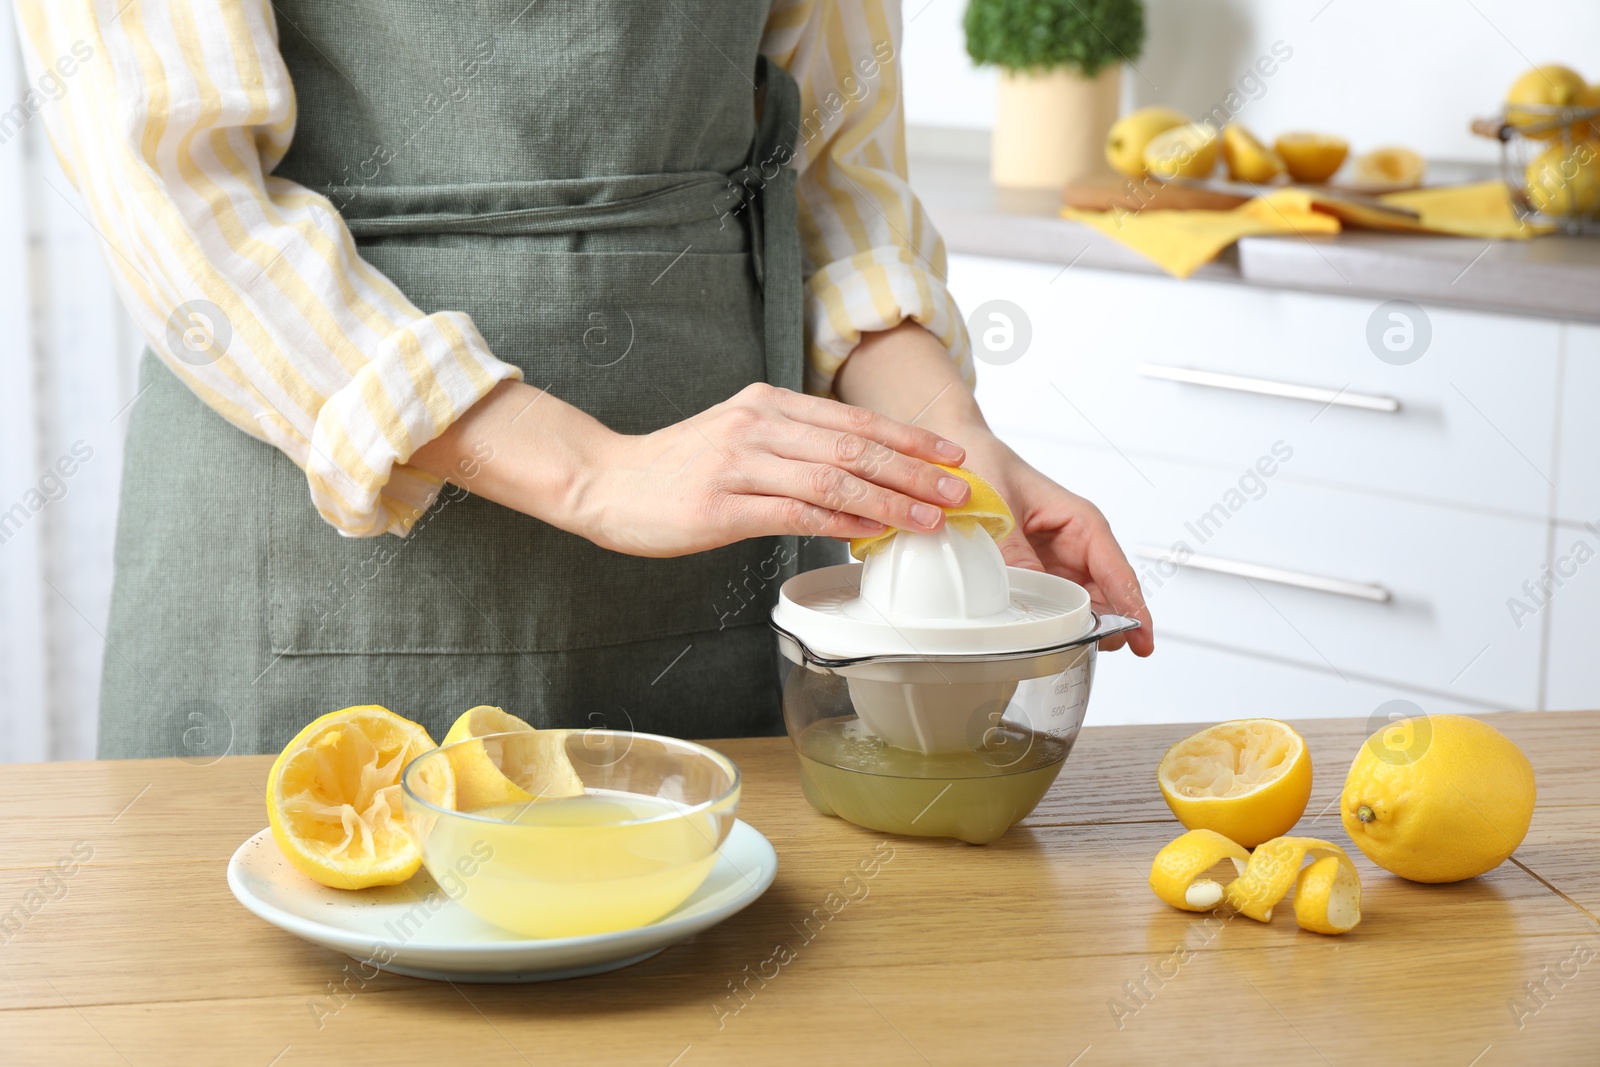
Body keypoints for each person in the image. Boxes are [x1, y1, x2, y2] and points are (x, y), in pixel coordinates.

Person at [17, 0, 1152, 758]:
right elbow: (175, 192)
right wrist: (599, 473)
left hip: (713, 586)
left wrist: (946, 443)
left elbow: (834, 171)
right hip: (310, 565)